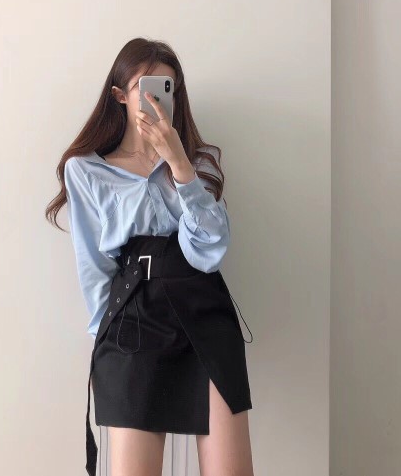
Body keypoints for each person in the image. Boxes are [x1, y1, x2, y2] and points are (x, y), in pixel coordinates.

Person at [46, 37, 255, 476]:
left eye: (167, 88)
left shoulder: (197, 164)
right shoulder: (86, 170)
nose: (157, 99)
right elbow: (93, 265)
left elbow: (209, 251)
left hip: (204, 314)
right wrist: (103, 341)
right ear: (120, 95)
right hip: (131, 321)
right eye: (146, 88)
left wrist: (179, 164)